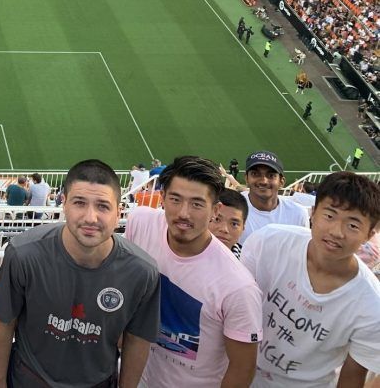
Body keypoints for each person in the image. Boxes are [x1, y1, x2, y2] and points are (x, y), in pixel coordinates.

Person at [0, 160, 160, 388]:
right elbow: (3, 321)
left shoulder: (142, 271)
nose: (90, 217)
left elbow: (137, 340)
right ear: (64, 203)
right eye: (80, 203)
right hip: (29, 380)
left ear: (118, 211)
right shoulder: (23, 254)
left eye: (103, 206)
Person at [125, 156, 262, 387]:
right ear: (162, 198)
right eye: (175, 199)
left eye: (197, 204)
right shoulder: (140, 223)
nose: (183, 214)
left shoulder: (238, 287)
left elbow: (242, 369)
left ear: (215, 210)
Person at [241, 172, 380, 386]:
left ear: (369, 234)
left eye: (353, 225)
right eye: (329, 215)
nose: (337, 232)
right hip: (240, 369)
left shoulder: (372, 305)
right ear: (313, 213)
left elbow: (352, 377)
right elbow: (236, 309)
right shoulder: (268, 243)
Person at [241, 151, 309, 239]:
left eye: (271, 175)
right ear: (246, 178)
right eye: (255, 174)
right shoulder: (231, 210)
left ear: (281, 182)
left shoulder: (298, 214)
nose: (263, 181)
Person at [210, 187, 248, 258]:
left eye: (234, 224)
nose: (224, 229)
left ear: (243, 227)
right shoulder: (184, 255)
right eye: (217, 219)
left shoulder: (247, 262)